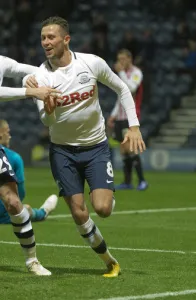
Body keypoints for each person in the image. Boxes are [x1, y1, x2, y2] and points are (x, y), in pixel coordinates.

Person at [25, 16, 146, 278]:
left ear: (66, 39)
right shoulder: (39, 76)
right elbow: (46, 120)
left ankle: (108, 193)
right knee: (79, 211)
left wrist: (134, 126)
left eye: (51, 37)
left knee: (102, 209)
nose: (46, 42)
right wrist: (49, 109)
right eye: (43, 37)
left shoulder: (91, 63)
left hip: (95, 147)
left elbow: (122, 89)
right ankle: (109, 260)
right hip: (62, 151)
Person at [0, 56, 58, 275]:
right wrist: (30, 91)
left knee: (14, 203)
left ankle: (32, 261)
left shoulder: (2, 62)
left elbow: (30, 70)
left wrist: (35, 79)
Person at [0, 119, 58, 224]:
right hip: (5, 213)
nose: (9, 136)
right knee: (26, 210)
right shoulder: (14, 158)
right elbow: (20, 194)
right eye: (7, 132)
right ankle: (42, 213)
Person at [107, 49, 148, 191]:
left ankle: (142, 181)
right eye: (119, 59)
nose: (121, 62)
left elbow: (130, 88)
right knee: (124, 151)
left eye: (123, 59)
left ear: (130, 59)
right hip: (120, 117)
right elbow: (120, 97)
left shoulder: (136, 73)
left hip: (130, 117)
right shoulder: (122, 75)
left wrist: (121, 73)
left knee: (131, 149)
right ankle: (127, 182)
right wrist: (113, 114)